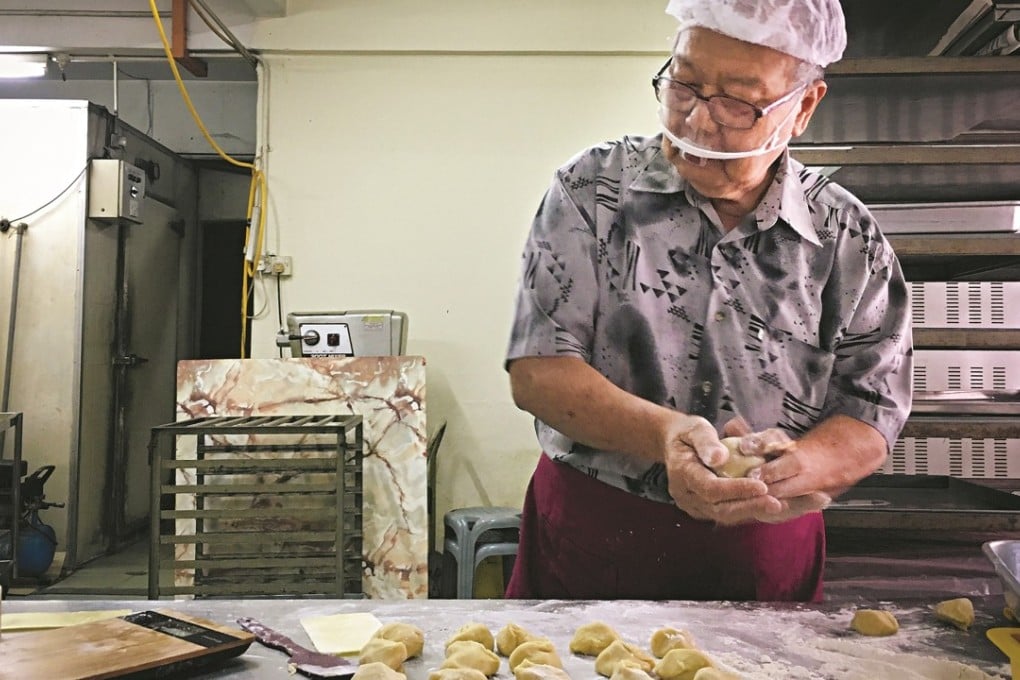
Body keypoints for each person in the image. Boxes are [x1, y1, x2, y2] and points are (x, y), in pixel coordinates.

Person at [503, 0, 913, 603]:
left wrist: (795, 466)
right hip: (598, 533)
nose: (696, 122)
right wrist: (667, 436)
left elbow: (872, 411)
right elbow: (539, 371)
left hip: (764, 547)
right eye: (684, 86)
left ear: (803, 107)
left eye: (737, 104)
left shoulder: (846, 237)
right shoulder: (591, 192)